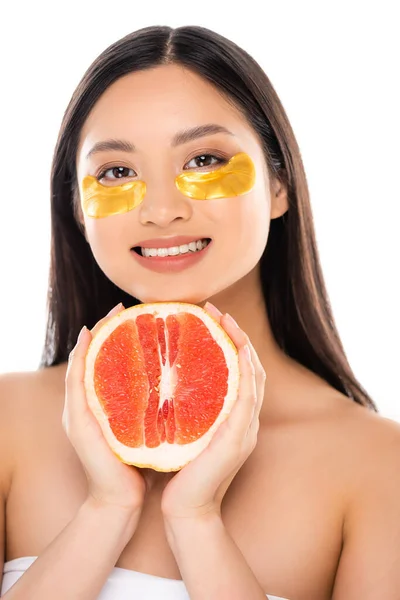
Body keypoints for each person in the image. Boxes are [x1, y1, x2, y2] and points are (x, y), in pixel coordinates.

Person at [0, 24, 399, 600]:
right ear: (78, 208)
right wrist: (106, 509)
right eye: (116, 171)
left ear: (279, 184)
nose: (162, 209)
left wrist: (197, 518)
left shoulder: (378, 465)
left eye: (205, 159)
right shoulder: (9, 420)